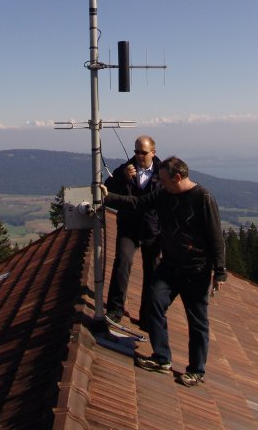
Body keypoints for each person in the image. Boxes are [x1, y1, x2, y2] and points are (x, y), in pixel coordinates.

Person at [101, 156, 227, 388]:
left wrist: (219, 272)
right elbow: (137, 203)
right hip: (170, 265)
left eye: (164, 180)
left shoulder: (203, 198)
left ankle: (196, 370)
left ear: (177, 177)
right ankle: (162, 358)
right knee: (153, 304)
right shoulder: (164, 194)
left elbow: (216, 237)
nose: (160, 183)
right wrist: (108, 196)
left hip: (196, 270)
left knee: (197, 321)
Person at [104, 135, 162, 330]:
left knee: (152, 270)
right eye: (136, 152)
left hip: (152, 228)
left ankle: (147, 316)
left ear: (153, 153)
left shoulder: (163, 173)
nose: (138, 156)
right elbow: (107, 191)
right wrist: (122, 178)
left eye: (143, 153)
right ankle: (115, 309)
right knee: (122, 261)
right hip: (128, 225)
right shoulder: (125, 170)